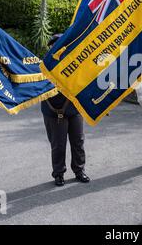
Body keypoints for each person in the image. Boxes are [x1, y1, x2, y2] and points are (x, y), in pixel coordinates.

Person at [41, 34, 90, 186]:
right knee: (58, 145)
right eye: (56, 46)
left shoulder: (76, 62)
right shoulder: (44, 65)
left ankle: (79, 170)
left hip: (74, 109)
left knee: (78, 142)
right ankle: (58, 174)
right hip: (53, 111)